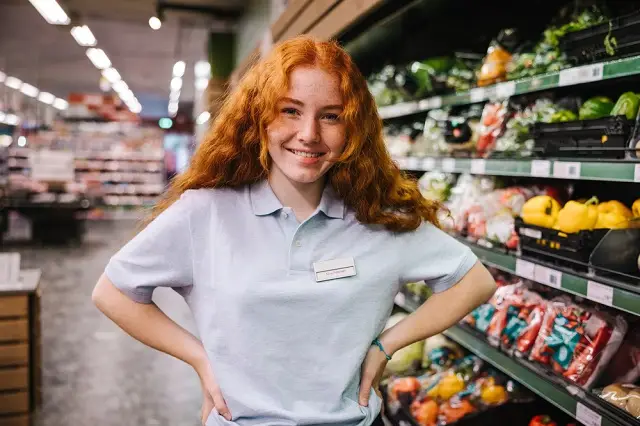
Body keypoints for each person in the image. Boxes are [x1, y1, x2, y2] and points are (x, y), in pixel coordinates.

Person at [92, 35, 497, 426]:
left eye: (331, 116)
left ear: (353, 129)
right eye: (291, 110)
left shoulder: (376, 218)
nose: (309, 134)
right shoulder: (206, 213)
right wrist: (200, 359)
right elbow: (114, 292)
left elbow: (474, 282)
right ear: (261, 117)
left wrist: (385, 346)